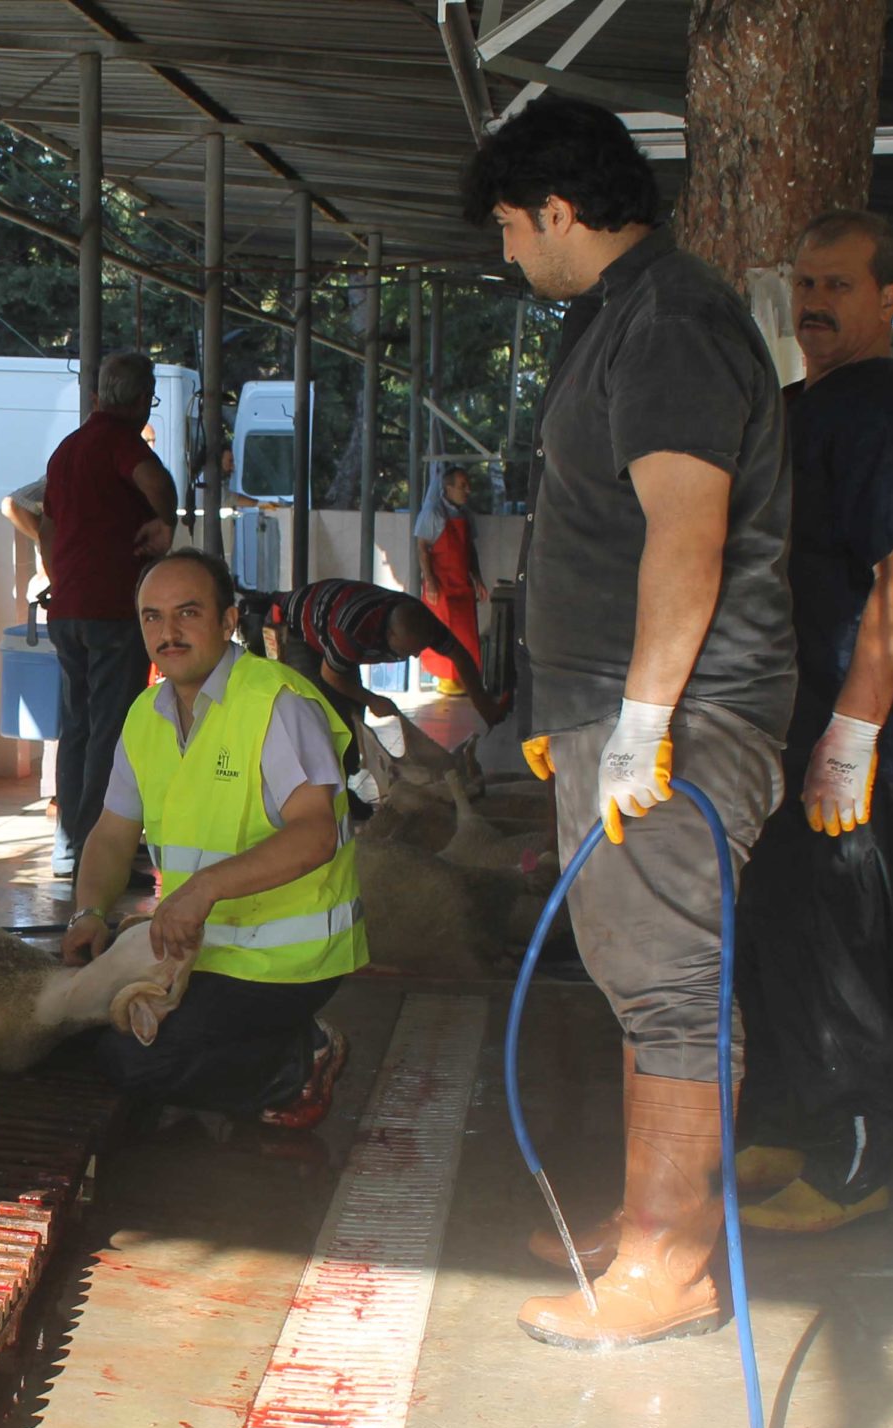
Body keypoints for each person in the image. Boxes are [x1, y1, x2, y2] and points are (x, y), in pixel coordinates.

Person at [465, 96, 795, 1349]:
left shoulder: (669, 324)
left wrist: (644, 717)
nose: (508, 253)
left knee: (672, 988)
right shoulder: (619, 317)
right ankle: (646, 1223)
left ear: (557, 209)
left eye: (509, 225)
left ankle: (673, 1267)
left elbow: (688, 533)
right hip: (622, 701)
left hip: (687, 711)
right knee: (636, 979)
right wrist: (580, 708)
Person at [731, 210, 893, 1237]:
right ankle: (782, 1123)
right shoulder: (793, 408)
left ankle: (860, 1157)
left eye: (838, 286)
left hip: (845, 738)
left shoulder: (886, 410)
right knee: (775, 933)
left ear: (889, 298)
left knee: (843, 950)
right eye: (804, 285)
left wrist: (852, 736)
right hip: (777, 725)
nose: (814, 303)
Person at [62, 550, 364, 1130]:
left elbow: (315, 835)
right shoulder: (144, 717)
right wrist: (89, 912)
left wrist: (203, 890)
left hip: (287, 962)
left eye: (188, 613)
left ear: (228, 621)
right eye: (152, 617)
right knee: (83, 1037)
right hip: (197, 952)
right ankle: (258, 1055)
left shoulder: (276, 703)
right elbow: (111, 832)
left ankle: (300, 1061)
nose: (167, 632)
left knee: (129, 1061)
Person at [39, 352, 179, 879]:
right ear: (142, 400)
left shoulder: (67, 450)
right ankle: (102, 853)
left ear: (98, 396)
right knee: (112, 731)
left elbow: (46, 527)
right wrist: (167, 522)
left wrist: (61, 577)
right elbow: (155, 480)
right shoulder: (122, 443)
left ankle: (70, 848)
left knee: (76, 727)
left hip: (68, 608)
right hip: (112, 608)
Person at [266, 578, 506, 731]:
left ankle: (347, 783)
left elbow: (460, 656)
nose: (413, 657)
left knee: (353, 716)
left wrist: (483, 704)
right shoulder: (354, 628)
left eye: (419, 650)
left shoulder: (421, 621)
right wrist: (373, 699)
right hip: (296, 627)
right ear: (388, 635)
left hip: (330, 630)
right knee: (321, 713)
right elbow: (330, 675)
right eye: (407, 650)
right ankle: (323, 795)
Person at [414, 465, 485, 695]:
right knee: (442, 633)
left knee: (466, 635)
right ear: (448, 487)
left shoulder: (465, 515)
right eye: (462, 486)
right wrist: (431, 582)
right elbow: (422, 548)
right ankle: (445, 679)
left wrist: (478, 579)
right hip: (441, 586)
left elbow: (470, 550)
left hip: (462, 585)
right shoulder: (432, 513)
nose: (468, 490)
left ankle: (464, 677)